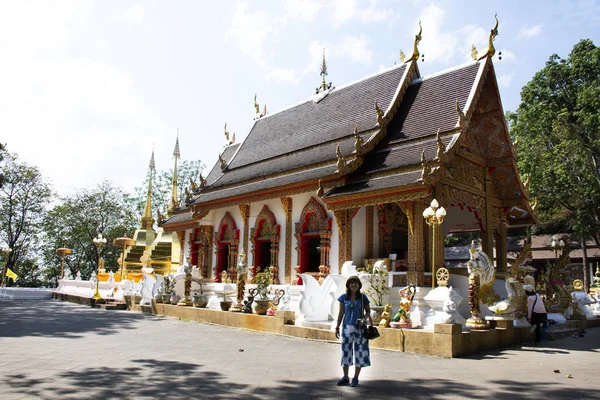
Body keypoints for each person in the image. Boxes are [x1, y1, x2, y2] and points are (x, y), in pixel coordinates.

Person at [334, 275, 373, 387]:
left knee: (360, 352)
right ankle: (345, 377)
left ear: (359, 285)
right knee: (346, 351)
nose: (354, 285)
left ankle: (355, 377)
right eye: (352, 283)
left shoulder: (362, 298)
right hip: (347, 327)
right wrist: (337, 327)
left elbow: (368, 312)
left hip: (360, 328)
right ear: (348, 285)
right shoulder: (343, 298)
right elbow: (341, 313)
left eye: (356, 283)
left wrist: (364, 319)